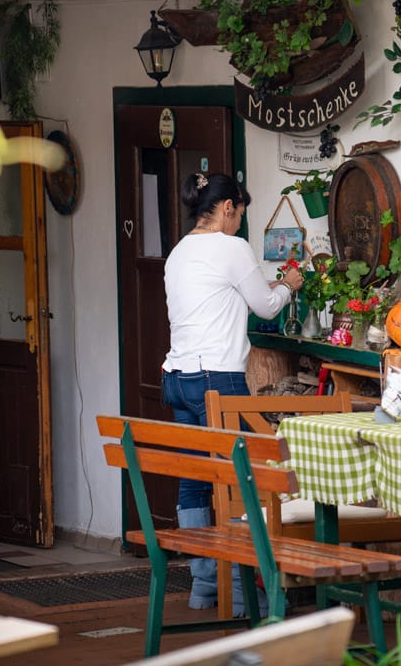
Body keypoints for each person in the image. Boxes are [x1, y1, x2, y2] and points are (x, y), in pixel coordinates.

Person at [162, 171, 303, 614]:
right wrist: (289, 285)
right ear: (227, 209)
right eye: (240, 213)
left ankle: (205, 583)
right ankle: (242, 591)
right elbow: (264, 306)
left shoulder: (179, 252)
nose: (240, 222)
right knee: (242, 483)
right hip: (215, 381)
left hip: (177, 378)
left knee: (195, 481)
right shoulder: (231, 247)